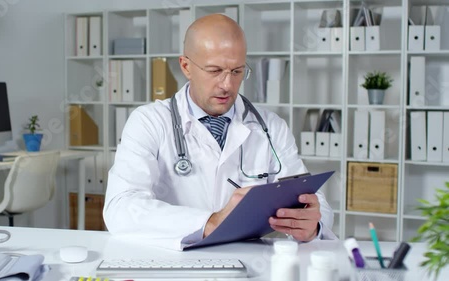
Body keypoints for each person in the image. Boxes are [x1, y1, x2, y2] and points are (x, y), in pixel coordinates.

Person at [103, 14, 336, 251]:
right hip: (172, 261)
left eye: (237, 72)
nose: (227, 85)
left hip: (247, 263)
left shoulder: (271, 127)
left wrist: (312, 226)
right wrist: (210, 222)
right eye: (215, 71)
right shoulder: (149, 122)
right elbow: (120, 208)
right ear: (186, 66)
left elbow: (311, 200)